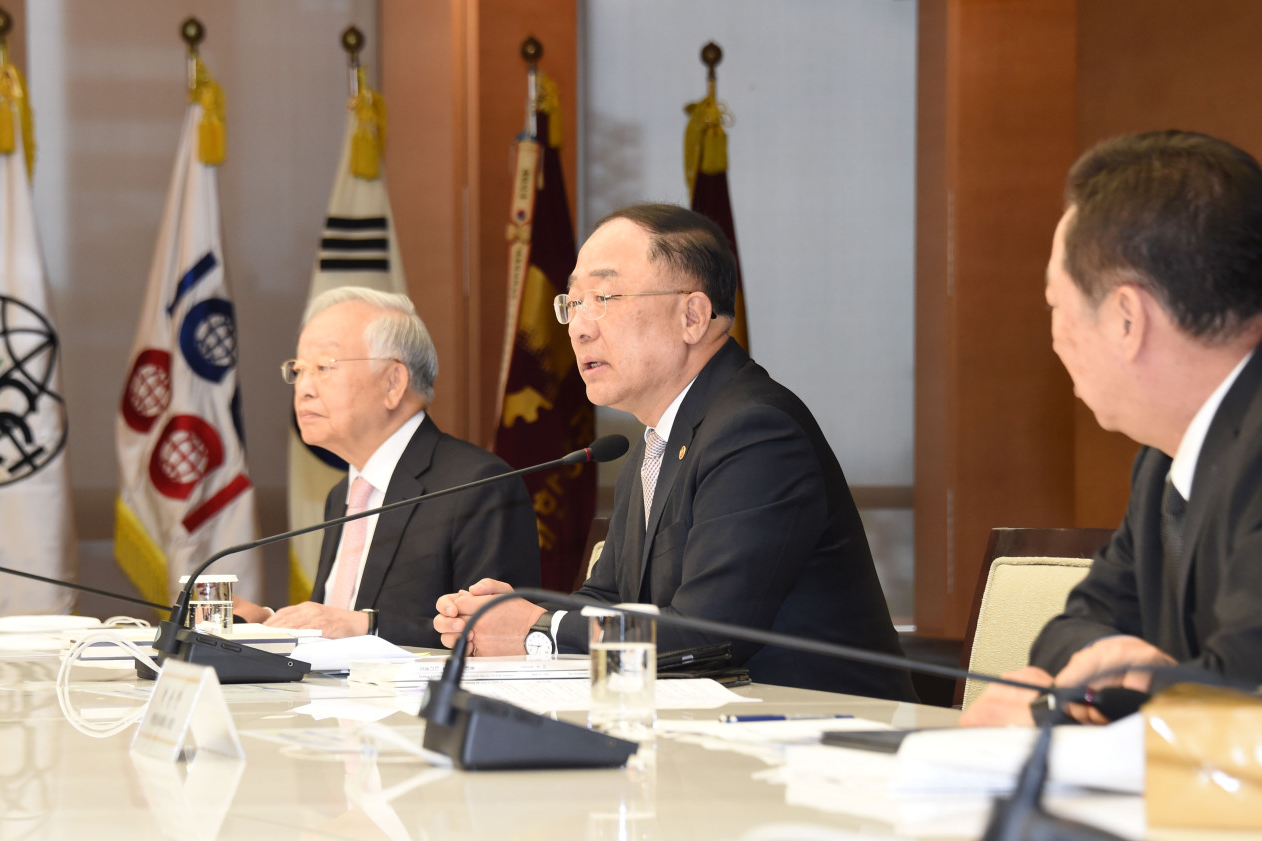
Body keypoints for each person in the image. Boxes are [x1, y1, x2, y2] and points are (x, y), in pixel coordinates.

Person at [434, 203, 916, 701]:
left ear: (692, 316)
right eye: (572, 303)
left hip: (830, 743)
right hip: (718, 738)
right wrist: (509, 614)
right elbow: (608, 599)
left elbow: (707, 636)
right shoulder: (655, 441)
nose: (578, 327)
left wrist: (540, 630)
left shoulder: (756, 432)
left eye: (602, 297)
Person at [963, 130, 1262, 726]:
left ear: (1127, 318)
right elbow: (1071, 628)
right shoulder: (1166, 460)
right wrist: (1120, 677)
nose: (1054, 337)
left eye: (1056, 305)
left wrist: (1062, 718)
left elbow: (1243, 701)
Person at [234, 287, 540, 646]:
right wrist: (269, 622)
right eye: (298, 370)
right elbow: (336, 622)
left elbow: (492, 638)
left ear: (394, 382)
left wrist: (367, 628)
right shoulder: (343, 495)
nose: (304, 388)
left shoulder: (477, 486)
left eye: (323, 367)